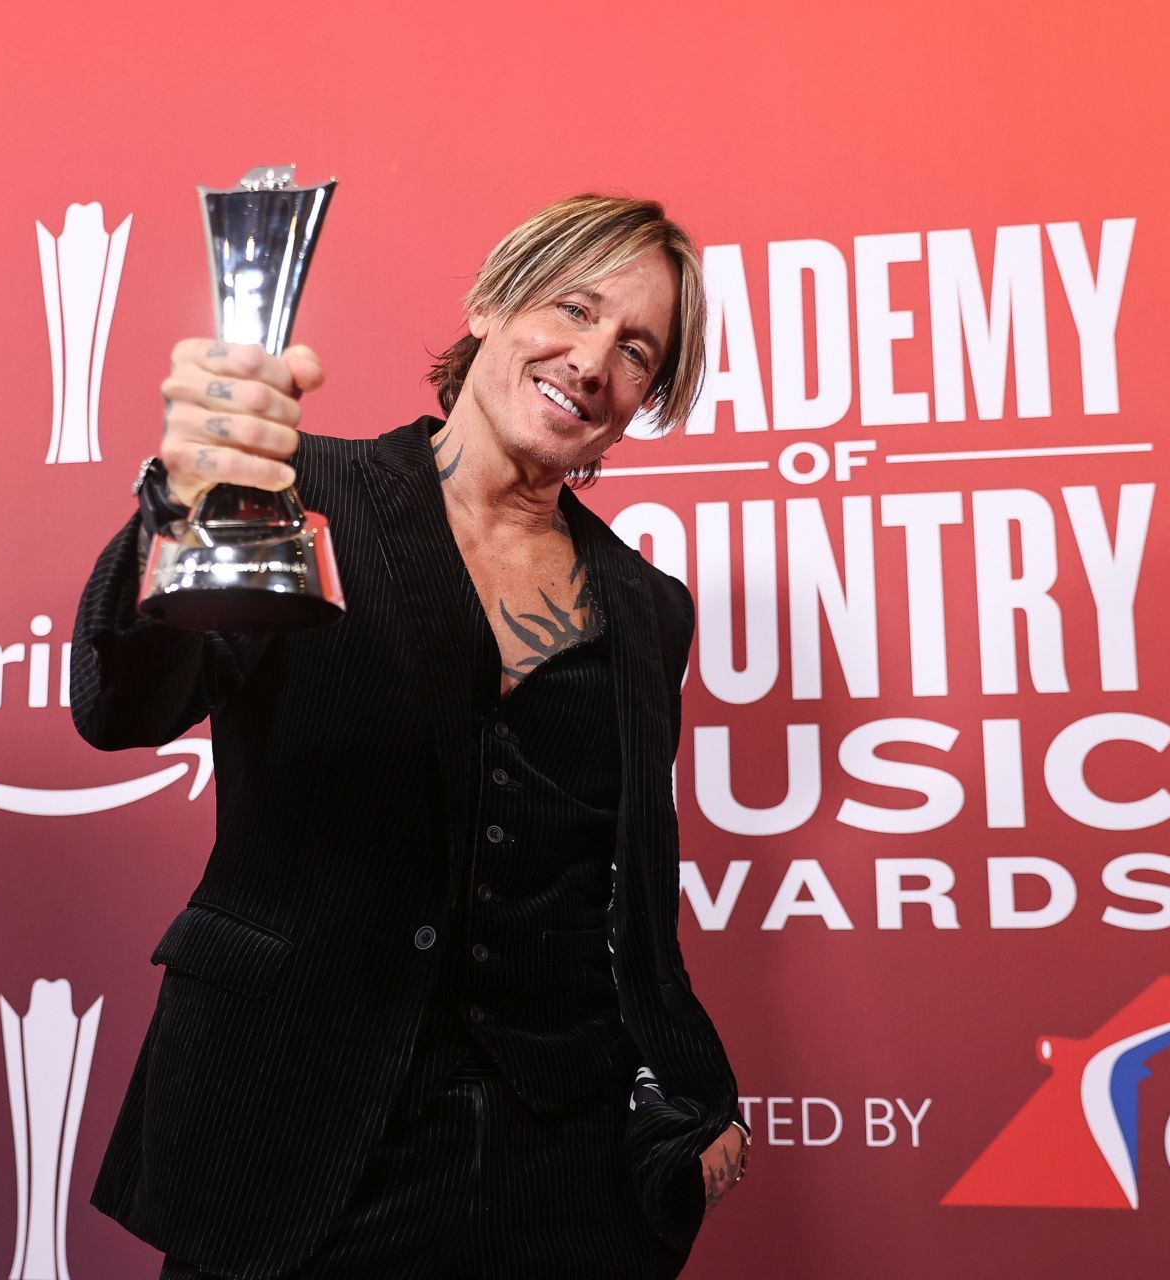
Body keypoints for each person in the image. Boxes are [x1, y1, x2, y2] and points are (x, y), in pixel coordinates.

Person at [72, 194, 747, 1280]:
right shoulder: (303, 488)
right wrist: (184, 499)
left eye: (636, 350)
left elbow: (616, 884)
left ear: (644, 401)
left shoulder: (645, 605)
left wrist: (691, 1079)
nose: (590, 359)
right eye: (573, 308)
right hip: (291, 1129)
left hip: (549, 1163)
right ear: (489, 305)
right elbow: (123, 701)